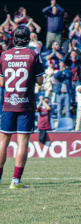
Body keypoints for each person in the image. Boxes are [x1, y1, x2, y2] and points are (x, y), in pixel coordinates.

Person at [0, 27, 45, 189]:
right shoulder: (33, 55)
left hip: (8, 104)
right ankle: (16, 181)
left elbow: (2, 83)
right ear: (28, 39)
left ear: (14, 39)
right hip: (25, 104)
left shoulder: (4, 55)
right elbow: (40, 82)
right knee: (22, 142)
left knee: (3, 142)